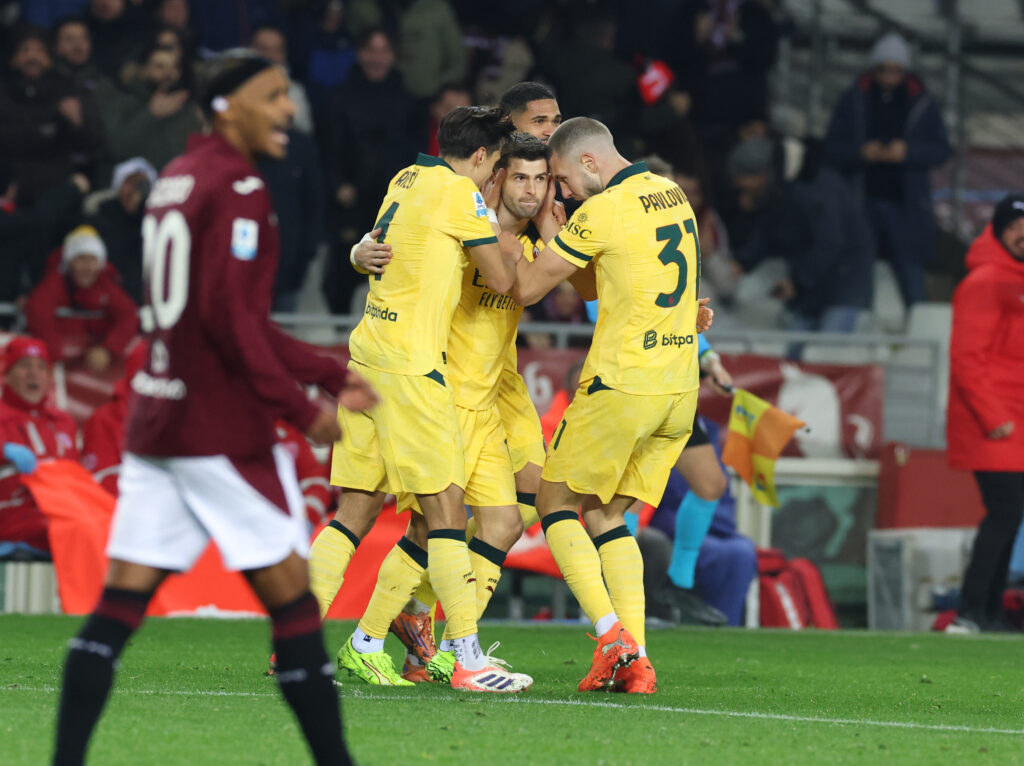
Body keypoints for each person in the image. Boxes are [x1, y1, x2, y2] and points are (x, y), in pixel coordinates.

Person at [51, 50, 377, 766]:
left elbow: (220, 316)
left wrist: (325, 371)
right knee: (294, 605)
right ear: (227, 105)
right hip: (217, 432)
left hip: (158, 421)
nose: (288, 109)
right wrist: (299, 406)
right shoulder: (237, 186)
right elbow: (232, 320)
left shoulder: (175, 178)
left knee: (116, 610)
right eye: (271, 96)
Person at [306, 106, 531, 693]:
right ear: (482, 159)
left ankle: (302, 644)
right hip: (412, 370)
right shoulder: (462, 196)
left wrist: (358, 253)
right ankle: (467, 659)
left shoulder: (404, 179)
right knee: (446, 515)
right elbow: (504, 282)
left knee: (353, 512)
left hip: (366, 360)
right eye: (499, 167)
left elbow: (379, 246)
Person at [346, 133, 564, 685]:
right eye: (520, 177)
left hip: (488, 405)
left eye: (541, 181)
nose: (531, 190)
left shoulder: (527, 247)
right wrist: (357, 252)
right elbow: (407, 252)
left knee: (506, 521)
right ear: (495, 175)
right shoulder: (465, 227)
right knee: (431, 525)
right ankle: (382, 637)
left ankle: (442, 651)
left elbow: (570, 285)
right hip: (440, 395)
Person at [510, 117, 712, 694]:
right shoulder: (672, 195)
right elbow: (597, 286)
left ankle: (611, 637)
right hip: (677, 392)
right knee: (605, 515)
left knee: (553, 502)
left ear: (592, 164)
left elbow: (524, 290)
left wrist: (541, 232)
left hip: (624, 385)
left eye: (565, 180)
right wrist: (563, 238)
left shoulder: (600, 211)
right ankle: (638, 661)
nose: (563, 192)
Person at [824, 32, 951, 309]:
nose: (889, 77)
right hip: (861, 202)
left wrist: (907, 153)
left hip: (906, 207)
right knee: (858, 277)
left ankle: (917, 330)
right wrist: (861, 152)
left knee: (911, 279)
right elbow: (831, 148)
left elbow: (941, 150)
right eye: (884, 70)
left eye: (896, 70)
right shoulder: (854, 99)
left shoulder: (923, 103)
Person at [945, 194, 1024, 634]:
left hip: (1012, 421)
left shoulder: (1012, 280)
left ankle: (986, 613)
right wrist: (995, 418)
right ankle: (972, 612)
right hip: (995, 424)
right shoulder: (987, 281)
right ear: (998, 228)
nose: (1022, 233)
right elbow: (967, 359)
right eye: (1015, 224)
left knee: (1010, 514)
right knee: (1005, 512)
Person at [729, 136, 874, 344]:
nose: (743, 192)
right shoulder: (782, 190)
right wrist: (742, 262)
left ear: (762, 174)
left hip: (844, 289)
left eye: (744, 184)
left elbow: (830, 243)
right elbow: (770, 231)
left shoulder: (816, 190)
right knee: (794, 358)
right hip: (810, 293)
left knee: (826, 358)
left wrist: (799, 282)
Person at [318, 26, 421, 314]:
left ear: (393, 56)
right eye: (371, 50)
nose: (377, 58)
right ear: (361, 54)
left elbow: (416, 156)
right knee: (343, 281)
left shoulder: (408, 102)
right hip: (350, 206)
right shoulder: (338, 98)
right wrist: (338, 184)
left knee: (392, 281)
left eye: (384, 51)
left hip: (394, 209)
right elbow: (328, 149)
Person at [0, 25, 105, 205]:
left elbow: (95, 143)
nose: (32, 57)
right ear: (13, 60)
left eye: (40, 51)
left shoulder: (67, 91)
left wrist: (79, 122)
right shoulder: (3, 95)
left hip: (55, 191)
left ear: (49, 59)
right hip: (8, 188)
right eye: (25, 50)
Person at [0, 336, 79, 554]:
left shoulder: (63, 422)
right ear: (6, 375)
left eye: (41, 368)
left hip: (57, 517)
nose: (34, 373)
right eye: (24, 366)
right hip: (13, 518)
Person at [24, 225, 139, 372]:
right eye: (81, 259)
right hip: (58, 365)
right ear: (69, 262)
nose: (87, 267)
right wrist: (53, 357)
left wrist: (109, 349)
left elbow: (128, 315)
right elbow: (38, 313)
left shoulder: (107, 285)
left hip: (99, 371)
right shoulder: (55, 283)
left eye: (93, 260)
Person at [107, 42, 203, 171]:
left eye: (175, 67)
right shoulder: (123, 101)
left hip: (181, 182)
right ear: (142, 70)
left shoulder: (187, 107)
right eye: (160, 67)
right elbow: (116, 149)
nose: (169, 73)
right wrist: (150, 114)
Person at [85, 157, 157, 303]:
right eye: (129, 183)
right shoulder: (100, 218)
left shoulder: (154, 221)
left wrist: (142, 210)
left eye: (141, 185)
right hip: (109, 299)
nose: (134, 191)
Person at [250, 25, 314, 135]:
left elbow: (304, 134)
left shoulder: (295, 92)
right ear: (250, 51)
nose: (271, 56)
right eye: (264, 49)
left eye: (277, 50)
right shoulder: (236, 90)